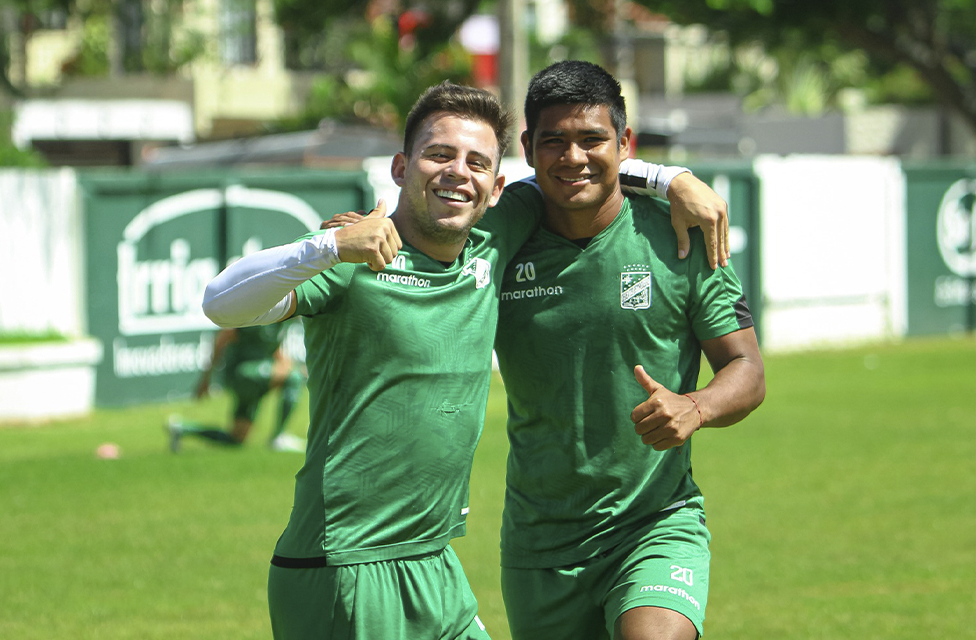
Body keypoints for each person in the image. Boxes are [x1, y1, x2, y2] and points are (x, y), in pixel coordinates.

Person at [202, 82, 725, 639]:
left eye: (477, 162)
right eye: (439, 155)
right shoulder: (350, 254)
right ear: (401, 167)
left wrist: (671, 178)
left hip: (434, 564)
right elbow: (220, 304)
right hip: (345, 563)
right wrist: (327, 248)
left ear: (497, 186)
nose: (458, 172)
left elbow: (573, 169)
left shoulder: (496, 236)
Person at [492, 60, 766, 640]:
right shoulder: (500, 240)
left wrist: (696, 407)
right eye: (554, 142)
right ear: (526, 148)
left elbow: (746, 368)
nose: (573, 158)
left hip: (654, 524)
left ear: (624, 143)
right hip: (538, 542)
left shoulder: (681, 234)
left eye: (592, 139)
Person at [166, 322, 307, 453]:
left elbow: (271, 348)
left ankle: (181, 428)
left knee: (236, 439)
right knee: (294, 377)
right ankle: (279, 437)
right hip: (243, 373)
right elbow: (223, 337)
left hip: (256, 378)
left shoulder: (281, 321)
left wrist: (287, 364)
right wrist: (206, 378)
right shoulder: (258, 310)